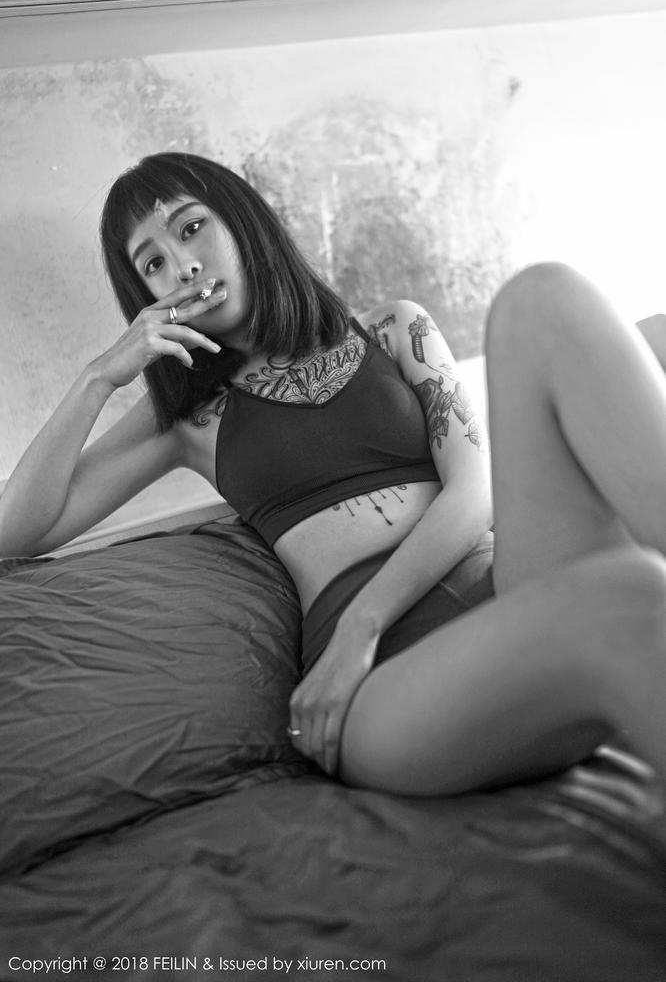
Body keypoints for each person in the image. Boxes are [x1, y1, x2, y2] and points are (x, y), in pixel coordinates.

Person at [1, 152, 664, 797]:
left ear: (243, 222)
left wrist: (362, 624)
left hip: (501, 595)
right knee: (626, 590)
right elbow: (16, 531)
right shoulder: (188, 415)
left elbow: (475, 490)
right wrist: (100, 377)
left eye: (191, 227)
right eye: (152, 264)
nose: (183, 267)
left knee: (545, 296)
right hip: (384, 682)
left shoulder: (395, 330)